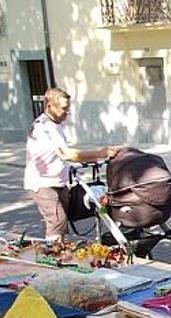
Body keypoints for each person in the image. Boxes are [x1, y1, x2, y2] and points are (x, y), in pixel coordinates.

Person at [24, 88, 117, 242]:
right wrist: (100, 153)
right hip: (43, 184)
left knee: (60, 221)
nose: (67, 113)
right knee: (57, 221)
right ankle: (52, 257)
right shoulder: (44, 127)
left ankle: (56, 250)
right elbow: (67, 154)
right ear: (49, 106)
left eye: (68, 108)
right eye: (63, 109)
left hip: (58, 181)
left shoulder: (55, 124)